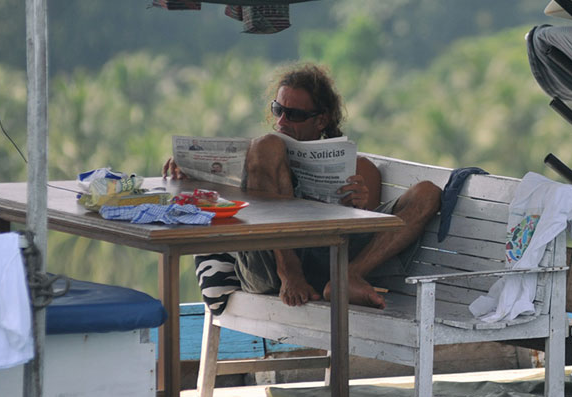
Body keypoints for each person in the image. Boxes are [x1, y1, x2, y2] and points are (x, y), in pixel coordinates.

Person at [164, 63, 440, 309]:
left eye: (294, 115)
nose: (281, 121)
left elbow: (366, 236)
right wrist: (189, 172)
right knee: (267, 144)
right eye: (278, 110)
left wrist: (358, 207)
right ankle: (289, 269)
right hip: (268, 264)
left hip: (330, 263)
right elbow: (213, 200)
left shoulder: (359, 168)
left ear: (321, 120)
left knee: (428, 192)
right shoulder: (261, 156)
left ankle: (348, 277)